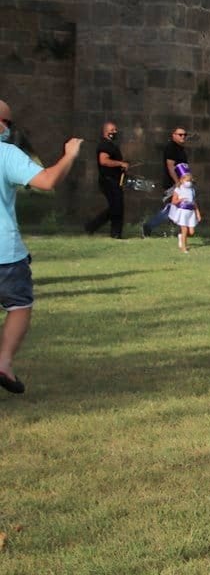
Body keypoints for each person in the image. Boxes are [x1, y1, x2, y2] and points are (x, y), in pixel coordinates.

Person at [0, 100, 83, 394]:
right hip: (5, 253)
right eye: (8, 124)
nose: (9, 130)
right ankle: (4, 363)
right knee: (19, 306)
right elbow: (47, 181)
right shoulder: (6, 154)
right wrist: (69, 156)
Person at [84, 121, 128, 238]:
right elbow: (103, 161)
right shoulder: (105, 145)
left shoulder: (111, 145)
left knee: (116, 207)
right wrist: (120, 163)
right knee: (117, 206)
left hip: (114, 180)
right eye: (112, 130)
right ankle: (114, 233)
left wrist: (121, 167)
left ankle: (92, 226)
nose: (115, 132)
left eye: (115, 130)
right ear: (105, 132)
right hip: (108, 180)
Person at [142, 126, 188, 237]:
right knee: (172, 208)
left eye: (185, 135)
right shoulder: (171, 147)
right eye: (180, 134)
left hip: (182, 183)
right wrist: (177, 182)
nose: (183, 137)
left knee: (181, 206)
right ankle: (148, 226)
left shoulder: (180, 148)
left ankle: (182, 231)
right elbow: (170, 166)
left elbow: (183, 167)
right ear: (173, 135)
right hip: (173, 184)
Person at [167, 164, 201, 253]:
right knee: (184, 229)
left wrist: (197, 213)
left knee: (191, 232)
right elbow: (173, 201)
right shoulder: (178, 189)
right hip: (182, 212)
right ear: (181, 180)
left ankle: (181, 236)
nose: (189, 182)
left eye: (190, 180)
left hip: (191, 212)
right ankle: (183, 247)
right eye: (187, 180)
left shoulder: (192, 190)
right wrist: (180, 200)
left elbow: (194, 202)